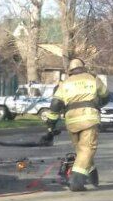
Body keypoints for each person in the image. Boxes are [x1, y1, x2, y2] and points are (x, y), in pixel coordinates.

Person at [45, 58, 109, 191]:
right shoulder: (93, 79)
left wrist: (51, 123)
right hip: (89, 119)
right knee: (87, 149)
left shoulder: (65, 83)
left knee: (81, 151)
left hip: (72, 121)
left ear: (70, 71)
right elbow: (106, 96)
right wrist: (98, 104)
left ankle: (91, 174)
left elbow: (55, 104)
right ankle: (76, 181)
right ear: (83, 68)